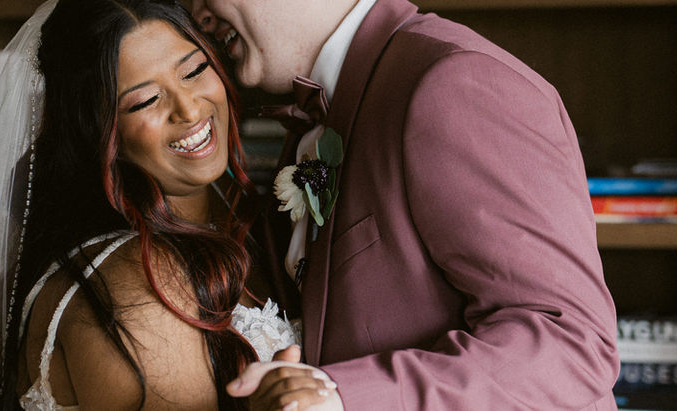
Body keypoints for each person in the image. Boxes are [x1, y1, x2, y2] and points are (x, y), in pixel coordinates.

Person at [0, 0, 336, 410]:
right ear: (98, 133)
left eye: (194, 70)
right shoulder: (137, 282)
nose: (190, 110)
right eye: (145, 101)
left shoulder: (240, 216)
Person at [187, 0, 621, 409]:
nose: (198, 14)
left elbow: (572, 344)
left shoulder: (456, 81)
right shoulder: (320, 116)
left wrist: (344, 398)